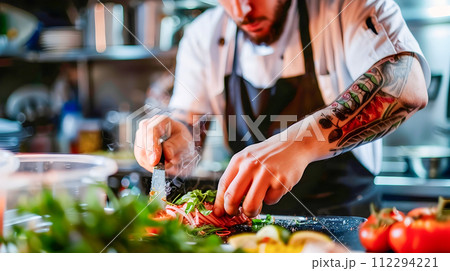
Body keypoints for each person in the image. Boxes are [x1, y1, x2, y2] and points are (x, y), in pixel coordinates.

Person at [134, 0, 429, 217]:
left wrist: (299, 144)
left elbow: (407, 86)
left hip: (346, 219)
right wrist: (180, 141)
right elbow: (190, 124)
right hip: (252, 226)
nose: (242, 10)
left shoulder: (348, 8)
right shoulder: (204, 34)